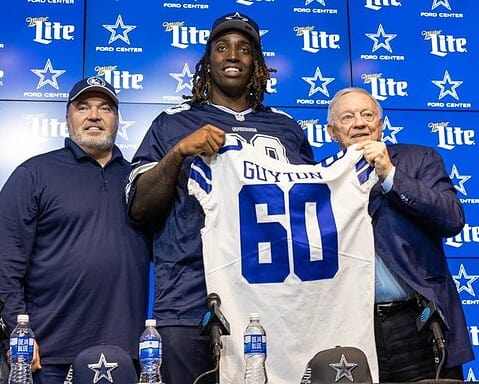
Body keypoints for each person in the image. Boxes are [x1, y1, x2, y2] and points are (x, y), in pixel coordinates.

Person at [126, 11, 315, 384]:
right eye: (222, 46)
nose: (233, 55)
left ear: (257, 65)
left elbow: (309, 213)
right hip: (188, 299)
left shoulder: (286, 129)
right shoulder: (172, 124)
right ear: (207, 60)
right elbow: (138, 208)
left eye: (245, 49)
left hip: (270, 303)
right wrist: (179, 153)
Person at [0, 76, 151, 384]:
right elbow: (4, 262)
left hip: (129, 356)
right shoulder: (33, 174)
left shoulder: (141, 181)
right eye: (83, 107)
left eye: (105, 108)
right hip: (49, 356)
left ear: (118, 119)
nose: (94, 115)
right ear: (67, 117)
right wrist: (19, 334)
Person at [326, 87, 474, 382]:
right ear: (332, 131)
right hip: (353, 327)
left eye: (368, 115)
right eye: (348, 117)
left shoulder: (420, 160)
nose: (359, 123)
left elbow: (452, 218)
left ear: (380, 124)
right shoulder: (320, 177)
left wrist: (390, 175)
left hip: (418, 323)